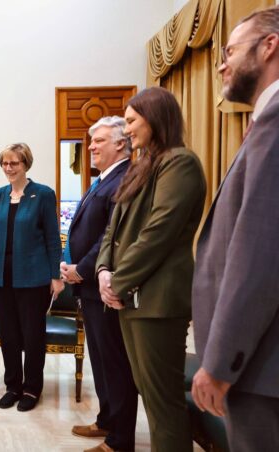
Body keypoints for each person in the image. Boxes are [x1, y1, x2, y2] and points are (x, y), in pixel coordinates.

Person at [95, 87, 206, 452]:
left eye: (131, 121)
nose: (126, 131)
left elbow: (159, 232)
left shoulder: (180, 163)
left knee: (163, 403)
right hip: (133, 301)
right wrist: (103, 271)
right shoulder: (143, 166)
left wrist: (118, 282)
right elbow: (114, 229)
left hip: (157, 303)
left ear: (155, 117)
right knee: (147, 392)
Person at [192, 6, 279, 450]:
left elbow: (260, 255)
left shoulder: (276, 120)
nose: (222, 64)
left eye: (229, 51)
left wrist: (222, 363)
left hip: (261, 367)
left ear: (269, 46)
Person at [60, 117, 136, 452]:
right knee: (101, 360)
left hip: (103, 285)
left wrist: (82, 268)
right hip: (91, 287)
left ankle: (120, 441)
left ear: (121, 144)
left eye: (99, 141)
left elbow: (111, 235)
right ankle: (107, 421)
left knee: (115, 364)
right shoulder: (102, 179)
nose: (90, 146)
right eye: (91, 141)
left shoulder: (124, 178)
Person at [0, 143, 64, 413]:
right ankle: (13, 386)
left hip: (33, 279)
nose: (8, 168)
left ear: (26, 164)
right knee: (9, 336)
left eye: (14, 163)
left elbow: (53, 239)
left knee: (32, 336)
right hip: (1, 278)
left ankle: (31, 388)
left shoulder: (43, 195)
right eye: (4, 163)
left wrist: (55, 275)